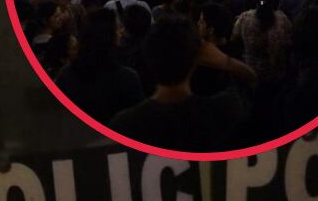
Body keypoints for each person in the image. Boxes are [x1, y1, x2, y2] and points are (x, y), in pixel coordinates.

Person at [108, 15, 252, 152]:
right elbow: (251, 79)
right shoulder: (224, 111)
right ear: (196, 59)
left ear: (148, 56)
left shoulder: (123, 126)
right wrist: (224, 60)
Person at [55, 9, 144, 123]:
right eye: (117, 28)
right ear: (109, 36)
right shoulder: (127, 78)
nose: (121, 31)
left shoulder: (66, 75)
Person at [231, 0, 293, 88]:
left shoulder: (244, 18)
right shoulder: (283, 20)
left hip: (250, 74)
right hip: (277, 77)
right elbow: (289, 44)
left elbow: (234, 40)